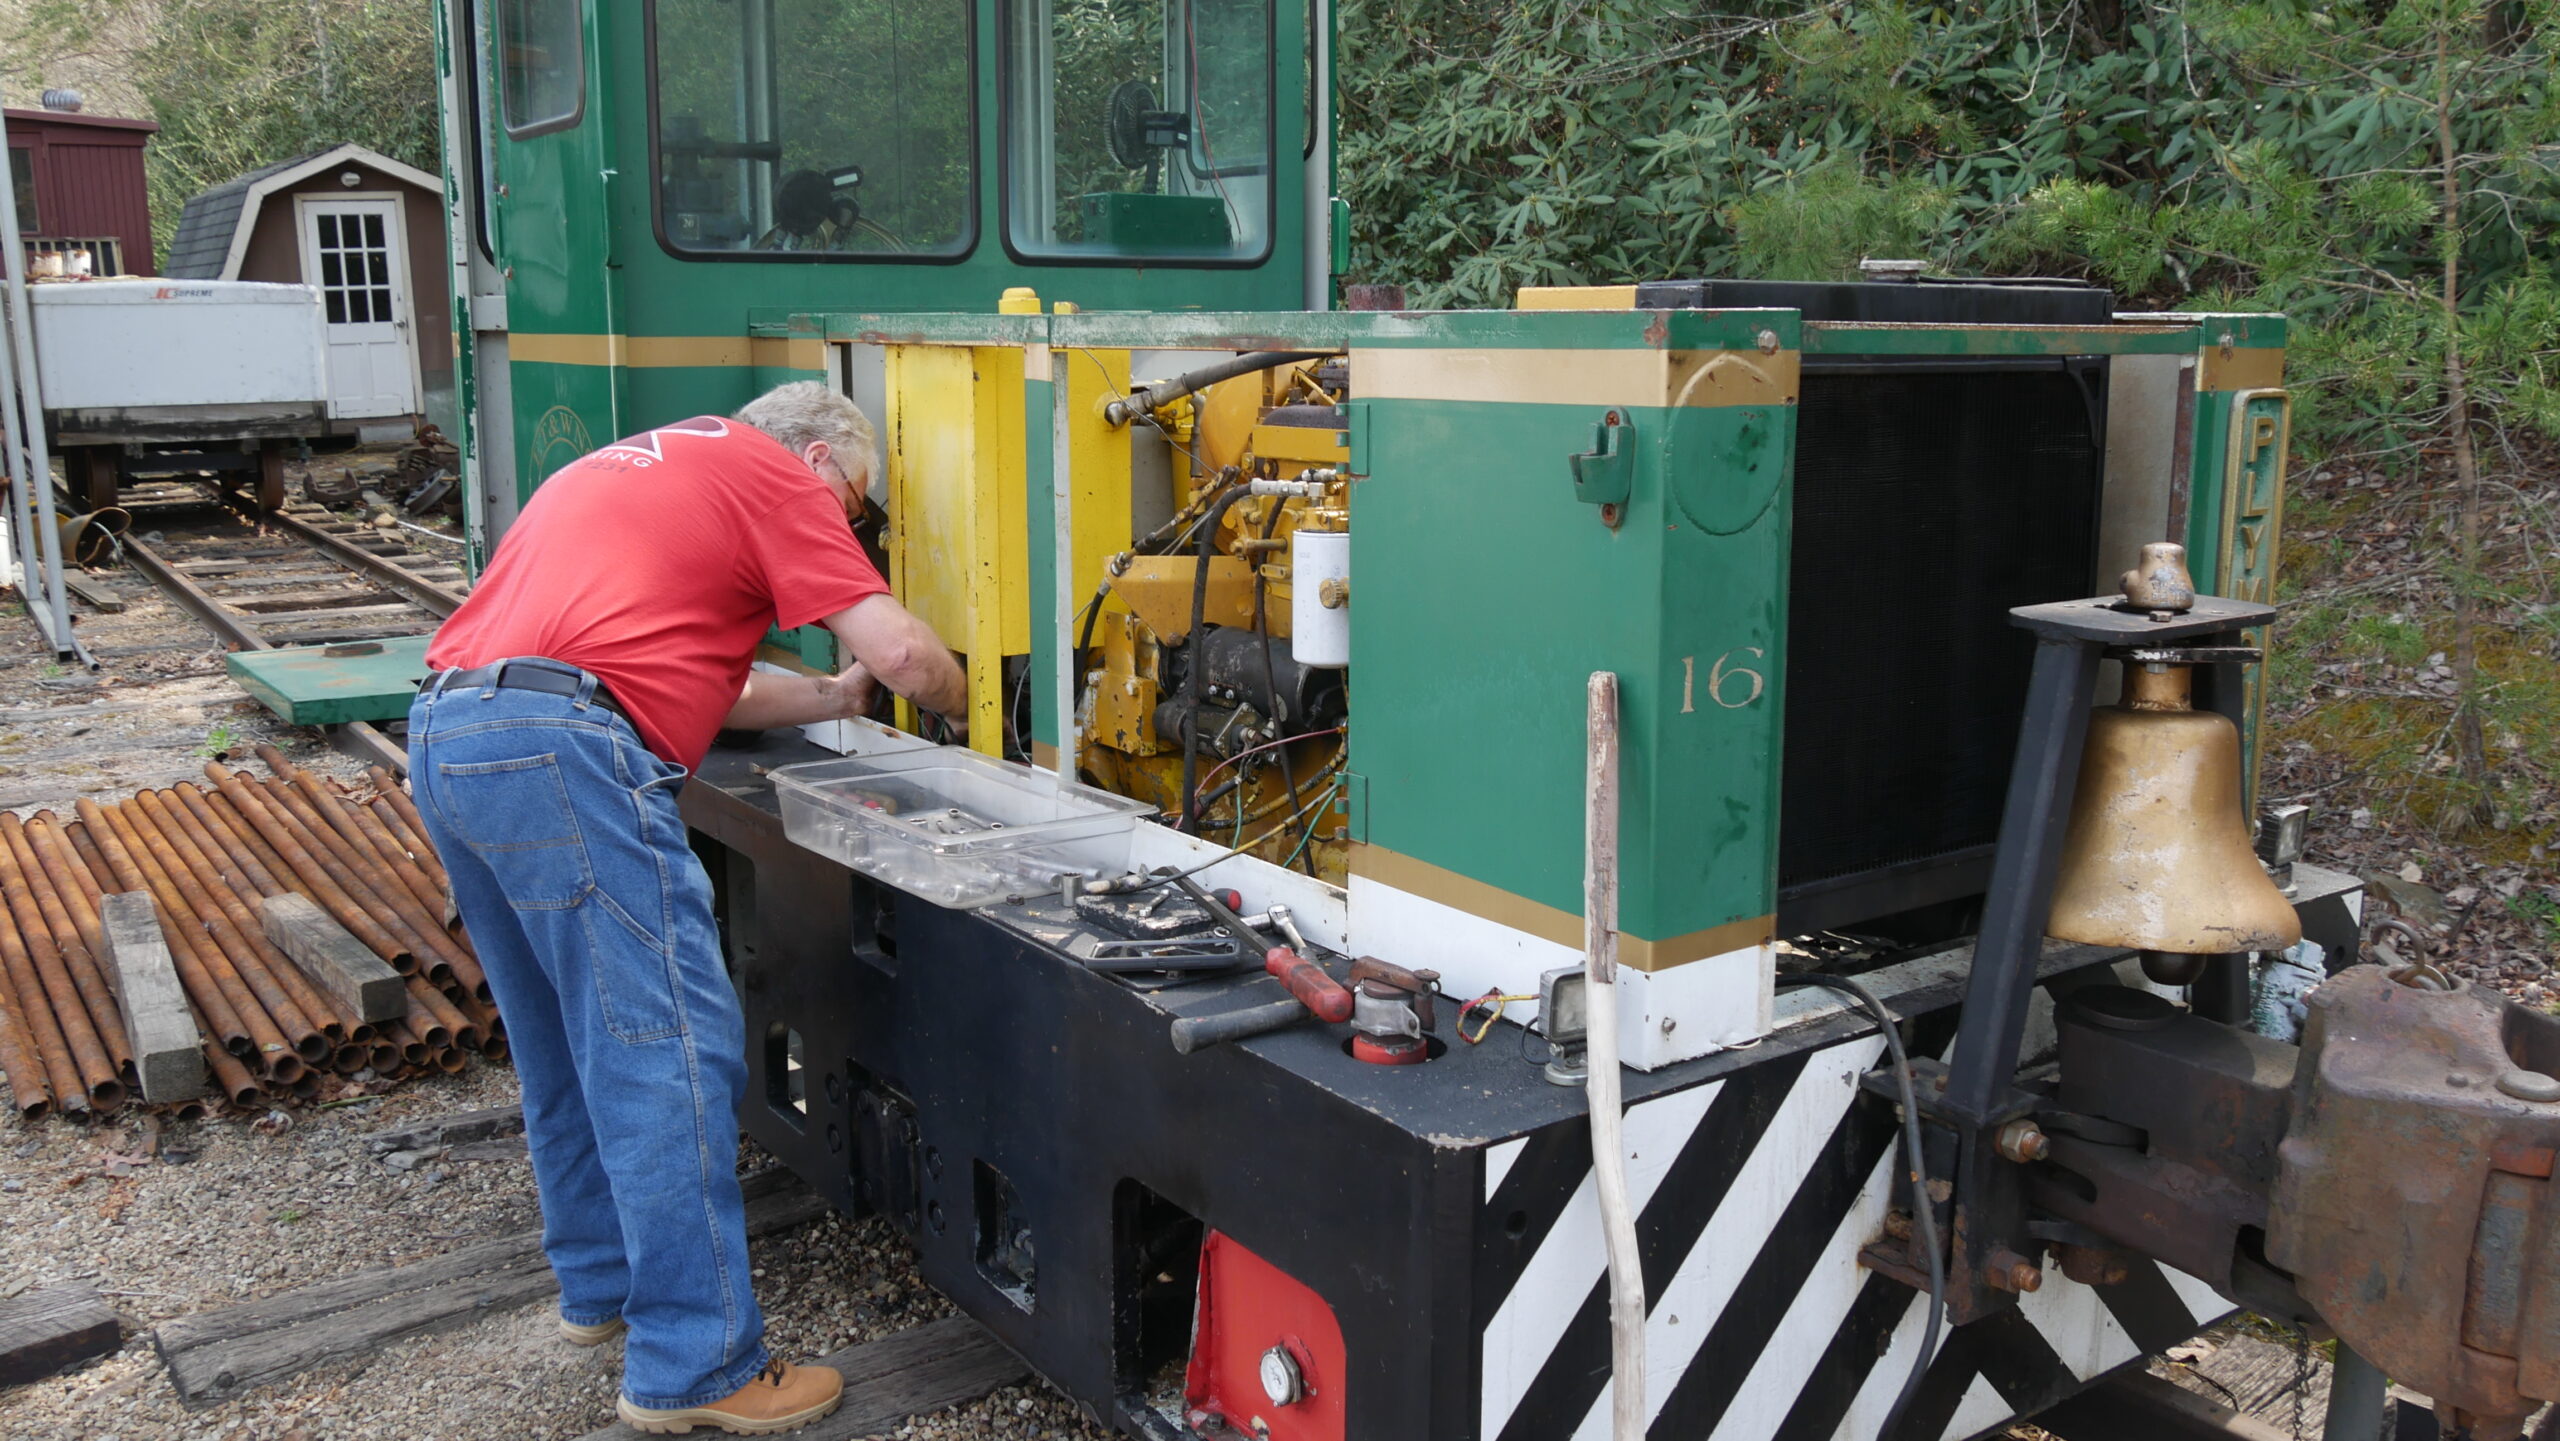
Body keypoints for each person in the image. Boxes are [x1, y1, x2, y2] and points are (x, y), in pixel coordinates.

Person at [408, 383, 965, 1435]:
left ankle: (602, 1290)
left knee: (565, 1042)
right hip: (567, 753)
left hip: (453, 730)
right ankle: (696, 1365)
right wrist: (967, 695)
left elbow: (705, 682)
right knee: (663, 1049)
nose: (844, 526)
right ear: (814, 456)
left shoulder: (639, 464)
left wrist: (833, 699)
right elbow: (901, 654)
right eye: (852, 504)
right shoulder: (775, 476)